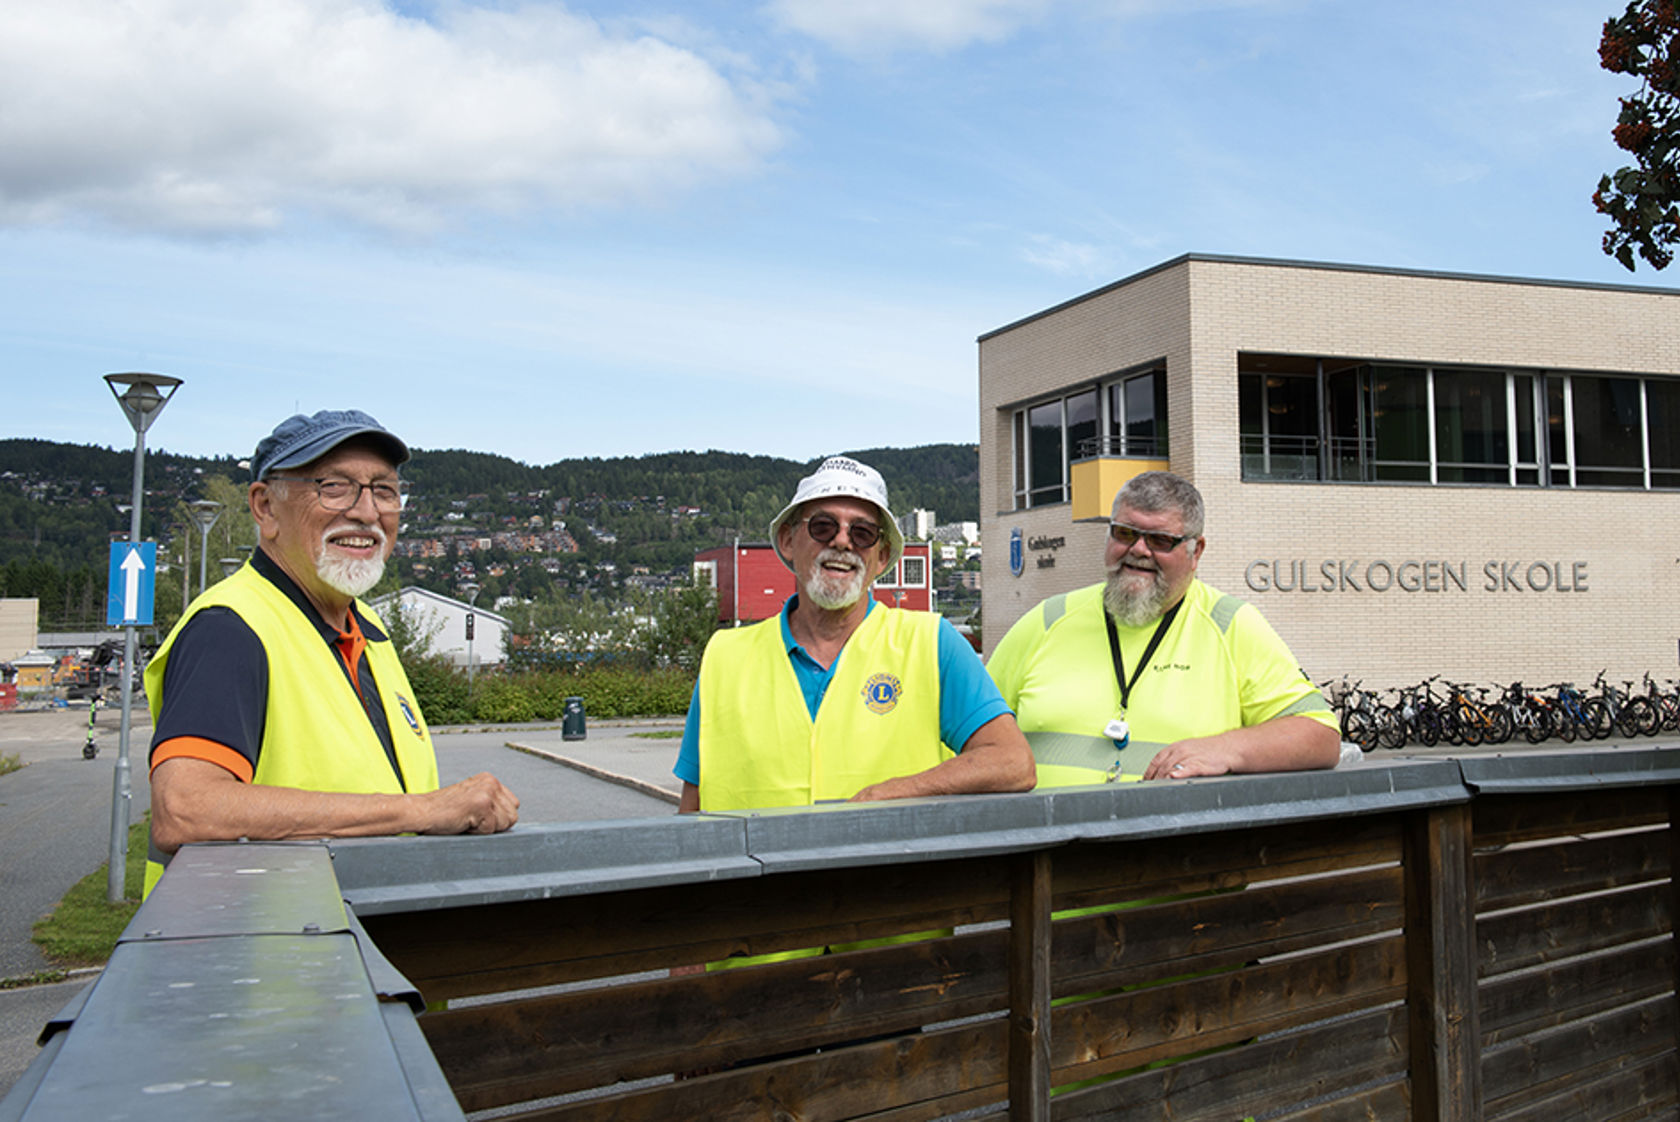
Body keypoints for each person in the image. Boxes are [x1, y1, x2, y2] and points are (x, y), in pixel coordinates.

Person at [144, 410, 518, 895]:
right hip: (257, 958)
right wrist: (423, 810)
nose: (366, 512)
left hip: (350, 948)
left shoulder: (368, 628)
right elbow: (185, 808)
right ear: (265, 508)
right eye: (334, 487)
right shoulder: (232, 628)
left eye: (384, 490)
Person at [674, 456, 1035, 813]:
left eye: (862, 533)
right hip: (759, 873)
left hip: (887, 873)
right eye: (823, 527)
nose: (843, 542)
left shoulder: (931, 643)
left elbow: (1013, 762)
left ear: (881, 557)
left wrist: (890, 793)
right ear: (787, 541)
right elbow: (692, 804)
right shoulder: (725, 657)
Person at [988, 471, 1339, 786]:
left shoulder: (1231, 625)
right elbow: (969, 735)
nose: (1138, 550)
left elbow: (1320, 736)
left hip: (1172, 853)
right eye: (1125, 533)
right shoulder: (1047, 620)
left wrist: (1226, 749)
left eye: (1158, 540)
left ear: (1195, 551)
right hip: (1046, 850)